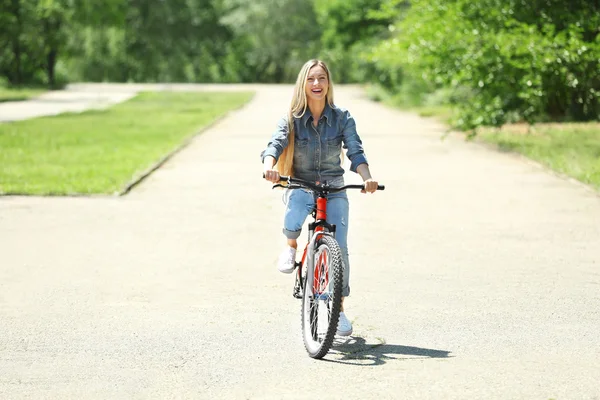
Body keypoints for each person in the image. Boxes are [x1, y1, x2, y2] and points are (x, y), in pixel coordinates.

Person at [261, 59, 379, 336]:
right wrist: (269, 167)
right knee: (295, 210)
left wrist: (367, 178)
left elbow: (355, 151)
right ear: (303, 83)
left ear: (328, 83)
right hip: (301, 183)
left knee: (341, 249)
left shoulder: (342, 117)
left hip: (333, 185)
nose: (317, 84)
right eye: (311, 79)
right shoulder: (292, 118)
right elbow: (275, 144)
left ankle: (337, 312)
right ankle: (291, 247)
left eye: (322, 79)